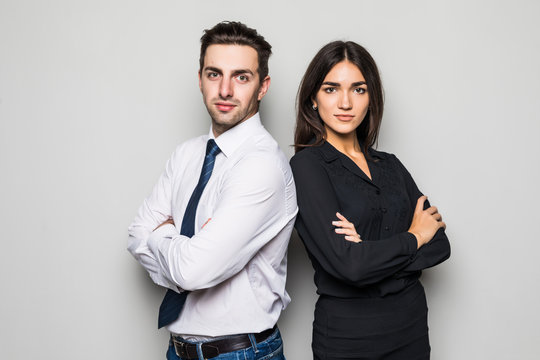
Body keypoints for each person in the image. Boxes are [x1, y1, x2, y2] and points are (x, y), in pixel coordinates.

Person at [127, 21, 297, 360]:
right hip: (178, 350)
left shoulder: (262, 167)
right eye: (214, 74)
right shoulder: (187, 154)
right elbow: (135, 236)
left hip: (240, 353)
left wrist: (163, 237)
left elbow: (193, 270)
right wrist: (185, 253)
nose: (225, 90)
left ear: (262, 87)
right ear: (200, 78)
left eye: (241, 77)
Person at [290, 41, 451, 359]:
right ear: (313, 98)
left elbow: (440, 244)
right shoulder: (307, 166)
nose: (345, 102)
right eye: (331, 89)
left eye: (358, 89)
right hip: (350, 337)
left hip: (411, 326)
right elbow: (349, 266)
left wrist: (367, 253)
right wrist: (414, 236)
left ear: (371, 98)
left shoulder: (390, 164)